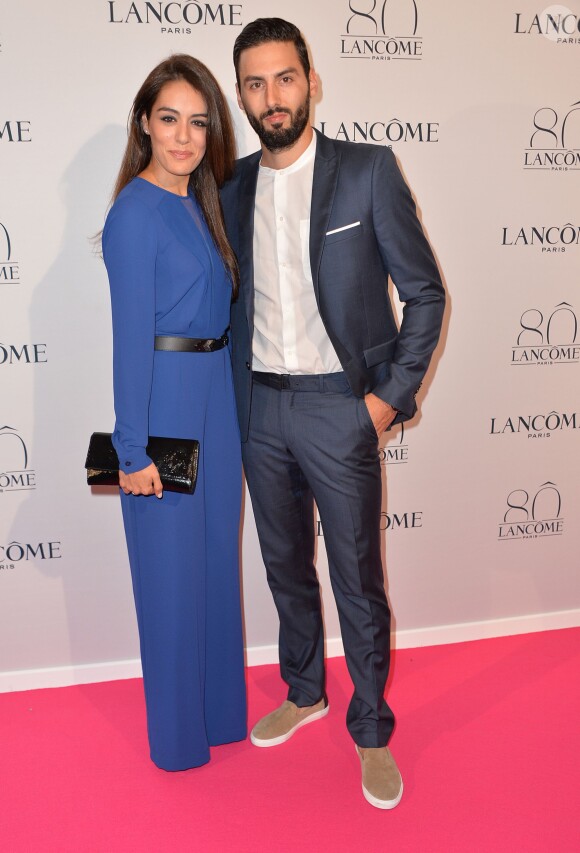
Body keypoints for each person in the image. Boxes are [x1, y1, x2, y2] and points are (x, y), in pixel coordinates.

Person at [221, 18, 445, 808]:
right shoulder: (231, 188)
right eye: (255, 83)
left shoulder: (367, 171)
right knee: (284, 565)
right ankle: (305, 688)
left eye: (285, 78)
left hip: (339, 408)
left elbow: (425, 294)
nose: (272, 96)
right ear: (241, 96)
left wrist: (385, 401)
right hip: (261, 409)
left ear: (312, 82)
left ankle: (372, 727)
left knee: (356, 576)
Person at [102, 54, 246, 771]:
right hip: (166, 405)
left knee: (215, 565)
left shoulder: (202, 202)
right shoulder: (133, 213)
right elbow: (131, 341)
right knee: (171, 577)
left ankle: (220, 716)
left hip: (216, 398)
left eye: (198, 122)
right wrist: (131, 452)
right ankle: (179, 741)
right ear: (144, 124)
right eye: (169, 119)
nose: (184, 137)